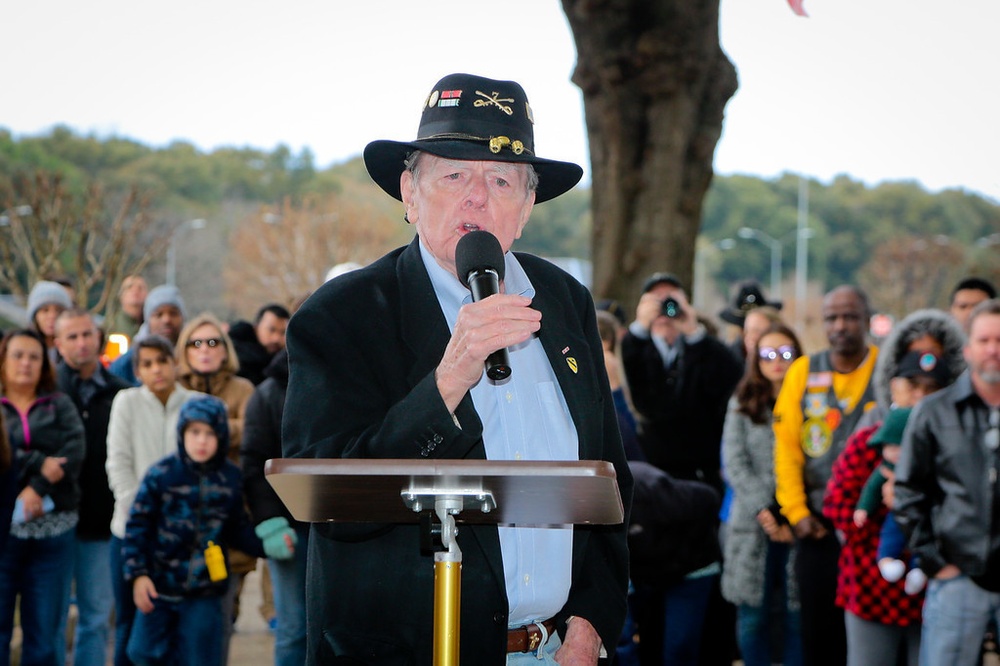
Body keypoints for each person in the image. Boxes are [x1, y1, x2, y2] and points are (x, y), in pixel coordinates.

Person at [283, 72, 632, 664]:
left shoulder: (566, 302)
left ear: (526, 207)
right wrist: (450, 378)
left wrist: (593, 620)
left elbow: (609, 480)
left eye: (501, 180)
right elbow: (333, 504)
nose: (477, 197)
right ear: (410, 193)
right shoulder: (341, 316)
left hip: (553, 651)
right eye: (453, 176)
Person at [822, 307, 966, 666]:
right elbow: (837, 506)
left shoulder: (960, 446)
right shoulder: (869, 442)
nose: (920, 397)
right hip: (870, 589)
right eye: (912, 385)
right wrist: (876, 512)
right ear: (893, 384)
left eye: (932, 388)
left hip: (935, 587)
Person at [123, 395, 292, 666]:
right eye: (195, 432)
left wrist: (267, 545)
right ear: (182, 433)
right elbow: (137, 528)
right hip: (160, 587)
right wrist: (138, 575)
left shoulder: (230, 477)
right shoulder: (161, 474)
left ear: (222, 436)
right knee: (143, 653)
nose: (202, 441)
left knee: (201, 657)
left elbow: (237, 528)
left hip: (205, 592)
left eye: (210, 433)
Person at [773, 285, 878, 666]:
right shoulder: (804, 371)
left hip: (873, 528)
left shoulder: (885, 369)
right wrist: (797, 513)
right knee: (818, 634)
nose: (840, 326)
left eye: (850, 316)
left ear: (867, 320)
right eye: (832, 318)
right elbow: (786, 449)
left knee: (871, 637)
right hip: (816, 525)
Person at [895, 299, 1000, 665]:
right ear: (968, 349)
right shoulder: (934, 412)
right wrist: (933, 558)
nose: (993, 349)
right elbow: (908, 491)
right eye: (984, 340)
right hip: (957, 578)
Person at [105, 335, 202, 666]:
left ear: (175, 363)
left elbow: (202, 468)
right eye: (147, 364)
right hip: (130, 533)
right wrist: (142, 516)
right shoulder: (126, 402)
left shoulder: (196, 404)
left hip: (181, 537)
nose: (156, 369)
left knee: (176, 626)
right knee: (128, 621)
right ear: (137, 371)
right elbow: (118, 464)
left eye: (162, 361)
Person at [174, 312, 257, 660]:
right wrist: (223, 423)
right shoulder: (174, 388)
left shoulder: (244, 389)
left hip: (229, 518)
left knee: (223, 617)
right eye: (196, 343)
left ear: (225, 349)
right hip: (179, 522)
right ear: (184, 349)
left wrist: (205, 426)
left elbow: (252, 432)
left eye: (213, 342)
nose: (204, 349)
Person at [0, 329, 86, 666]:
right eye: (18, 355)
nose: (26, 363)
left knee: (45, 636)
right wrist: (38, 464)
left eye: (34, 357)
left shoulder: (59, 404)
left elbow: (74, 451)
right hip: (4, 537)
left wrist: (37, 488)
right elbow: (7, 454)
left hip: (53, 535)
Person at [53, 309, 132, 666]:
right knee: (51, 620)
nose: (81, 343)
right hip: (53, 520)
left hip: (100, 521)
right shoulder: (47, 392)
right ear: (58, 344)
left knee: (96, 617)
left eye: (87, 334)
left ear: (98, 337)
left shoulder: (121, 394)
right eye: (72, 336)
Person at [721, 321, 804, 666]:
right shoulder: (742, 401)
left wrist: (792, 512)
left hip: (799, 518)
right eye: (768, 354)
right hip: (753, 521)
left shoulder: (811, 399)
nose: (777, 361)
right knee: (753, 617)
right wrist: (766, 510)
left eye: (785, 353)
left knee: (796, 615)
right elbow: (734, 462)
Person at [621, 272, 743, 492]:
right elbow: (629, 374)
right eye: (655, 300)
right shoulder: (635, 349)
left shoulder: (704, 349)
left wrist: (694, 333)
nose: (664, 306)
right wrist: (640, 327)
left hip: (700, 469)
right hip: (650, 468)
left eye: (671, 299)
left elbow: (728, 380)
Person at [241, 347, 308, 666]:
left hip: (339, 526)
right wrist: (270, 522)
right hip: (288, 526)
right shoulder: (266, 395)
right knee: (293, 628)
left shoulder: (346, 379)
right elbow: (254, 463)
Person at [109, 284, 186, 385]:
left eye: (173, 313)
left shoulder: (194, 356)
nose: (167, 320)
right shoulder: (126, 364)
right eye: (159, 314)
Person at [719, 280, 783, 364]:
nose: (752, 337)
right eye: (748, 331)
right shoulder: (727, 361)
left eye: (758, 331)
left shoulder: (784, 357)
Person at [228, 304, 291, 386]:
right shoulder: (234, 355)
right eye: (271, 330)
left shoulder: (287, 363)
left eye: (283, 333)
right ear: (256, 327)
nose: (276, 338)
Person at [26, 280, 74, 363]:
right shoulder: (24, 346)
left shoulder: (75, 347)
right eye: (45, 310)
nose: (52, 316)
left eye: (58, 310)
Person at [107, 275, 148, 342]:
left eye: (140, 288)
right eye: (129, 287)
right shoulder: (111, 324)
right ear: (121, 294)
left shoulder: (151, 323)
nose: (135, 291)